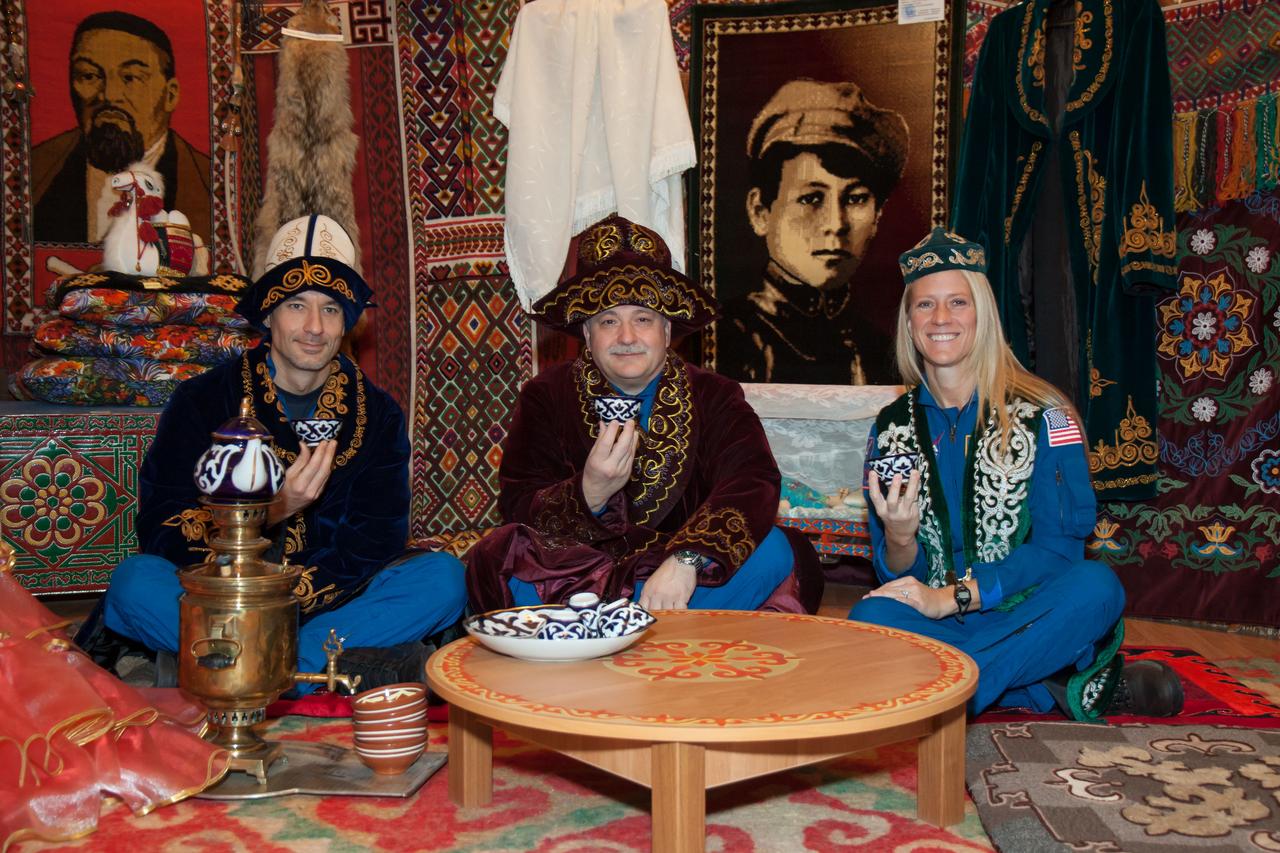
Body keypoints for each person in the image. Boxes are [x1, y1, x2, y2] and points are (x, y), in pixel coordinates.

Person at [76, 215, 467, 689]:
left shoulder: (377, 414)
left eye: (330, 308)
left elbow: (377, 539)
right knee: (135, 582)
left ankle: (241, 664)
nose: (314, 327)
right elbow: (164, 526)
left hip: (331, 604)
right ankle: (324, 667)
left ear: (348, 319)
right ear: (268, 314)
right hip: (223, 594)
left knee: (442, 580)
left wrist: (290, 606)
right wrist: (276, 509)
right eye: (296, 305)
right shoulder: (203, 400)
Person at [849, 228, 1183, 721]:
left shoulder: (1046, 415)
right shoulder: (891, 427)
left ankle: (947, 694)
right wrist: (900, 537)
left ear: (982, 314)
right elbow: (898, 580)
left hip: (1030, 612)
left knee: (1097, 586)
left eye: (957, 302)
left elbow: (1058, 554)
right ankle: (1048, 684)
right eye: (925, 306)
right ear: (908, 321)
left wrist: (955, 597)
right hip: (963, 630)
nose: (941, 318)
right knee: (869, 616)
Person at [466, 214, 824, 614]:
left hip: (680, 579)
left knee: (776, 548)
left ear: (667, 331)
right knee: (501, 554)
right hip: (582, 576)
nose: (626, 338)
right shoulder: (546, 395)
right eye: (607, 321)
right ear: (586, 333)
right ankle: (657, 636)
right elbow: (518, 503)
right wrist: (590, 492)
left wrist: (688, 559)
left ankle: (615, 633)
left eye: (642, 319)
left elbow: (752, 481)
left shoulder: (715, 394)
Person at [717, 78, 908, 385]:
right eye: (811, 198)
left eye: (856, 198)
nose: (836, 224)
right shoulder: (725, 340)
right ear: (759, 211)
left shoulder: (883, 352)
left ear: (877, 216)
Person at [31, 11, 212, 244]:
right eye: (89, 75)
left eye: (132, 77)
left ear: (170, 95)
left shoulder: (208, 184)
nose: (109, 95)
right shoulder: (36, 171)